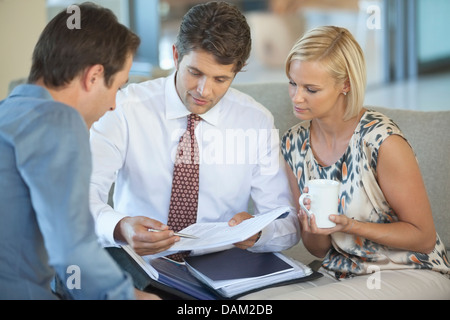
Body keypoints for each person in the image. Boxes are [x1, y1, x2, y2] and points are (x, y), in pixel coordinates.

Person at [89, 1, 299, 258]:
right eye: (195, 72)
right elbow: (83, 199)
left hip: (220, 266)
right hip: (142, 262)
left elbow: (287, 221)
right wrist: (120, 228)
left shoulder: (256, 121)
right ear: (176, 55)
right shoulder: (123, 108)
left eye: (220, 79)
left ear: (238, 69)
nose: (204, 91)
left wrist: (258, 234)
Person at [275, 26, 450, 299]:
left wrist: (349, 226)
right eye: (292, 83)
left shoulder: (381, 140)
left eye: (311, 88)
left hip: (410, 270)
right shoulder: (292, 144)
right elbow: (319, 250)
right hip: (342, 272)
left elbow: (423, 237)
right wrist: (313, 226)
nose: (297, 97)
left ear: (345, 84)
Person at [0, 3, 159, 300]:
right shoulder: (58, 120)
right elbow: (72, 249)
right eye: (117, 87)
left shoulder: (8, 113)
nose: (113, 104)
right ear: (94, 76)